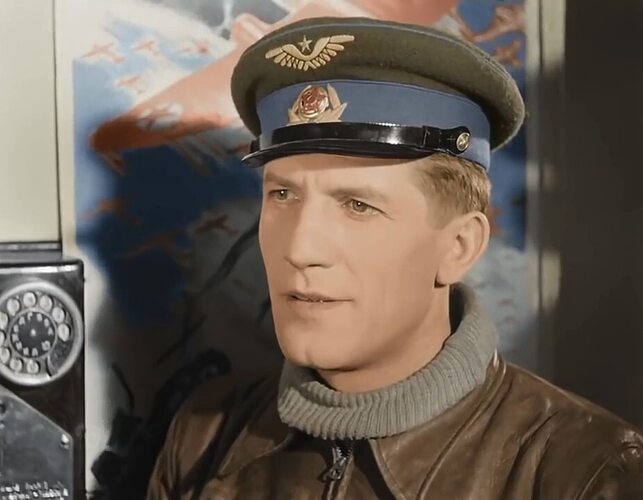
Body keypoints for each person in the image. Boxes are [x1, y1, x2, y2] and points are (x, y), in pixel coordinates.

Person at [146, 17, 643, 499]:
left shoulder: (586, 474)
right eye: (283, 195)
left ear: (459, 247)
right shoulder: (204, 438)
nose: (299, 249)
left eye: (358, 205)